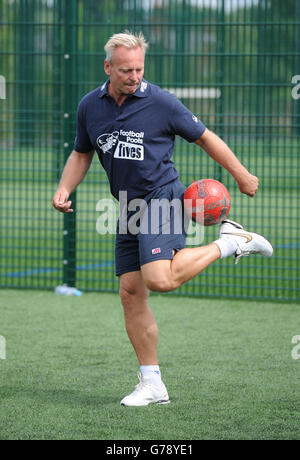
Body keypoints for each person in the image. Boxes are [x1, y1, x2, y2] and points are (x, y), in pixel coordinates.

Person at [52, 31, 273, 407]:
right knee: (131, 293)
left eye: (138, 68)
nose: (134, 76)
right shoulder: (90, 105)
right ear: (108, 67)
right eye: (125, 70)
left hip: (162, 197)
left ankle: (231, 242)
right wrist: (64, 188)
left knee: (159, 278)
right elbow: (81, 153)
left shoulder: (162, 103)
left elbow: (204, 137)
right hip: (127, 205)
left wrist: (240, 173)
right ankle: (152, 384)